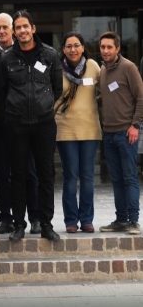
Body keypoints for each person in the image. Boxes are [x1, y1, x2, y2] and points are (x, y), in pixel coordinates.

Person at [0, 10, 63, 242]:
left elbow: (57, 88)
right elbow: (2, 91)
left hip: (44, 124)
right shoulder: (7, 59)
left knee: (46, 174)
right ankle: (19, 224)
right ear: (14, 32)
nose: (22, 30)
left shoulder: (50, 55)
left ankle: (46, 223)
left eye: (26, 26)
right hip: (16, 125)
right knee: (18, 175)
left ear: (33, 28)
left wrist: (42, 107)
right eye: (18, 27)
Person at [0, 13, 41, 235]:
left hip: (24, 123)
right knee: (2, 174)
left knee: (28, 172)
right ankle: (6, 218)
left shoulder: (23, 53)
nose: (1, 31)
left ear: (13, 29)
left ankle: (35, 217)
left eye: (5, 27)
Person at [55, 33, 102, 233]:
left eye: (76, 45)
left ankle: (87, 219)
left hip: (90, 129)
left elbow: (105, 90)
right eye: (68, 46)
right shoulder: (57, 69)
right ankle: (71, 221)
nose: (73, 49)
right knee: (71, 177)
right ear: (63, 49)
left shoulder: (93, 66)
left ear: (83, 47)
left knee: (88, 177)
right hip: (65, 129)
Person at [98, 31, 143, 235]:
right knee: (116, 179)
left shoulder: (128, 67)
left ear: (117, 49)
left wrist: (135, 125)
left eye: (109, 47)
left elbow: (141, 97)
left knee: (130, 177)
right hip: (108, 134)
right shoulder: (102, 71)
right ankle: (121, 219)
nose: (105, 50)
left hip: (126, 133)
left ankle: (133, 221)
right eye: (103, 47)